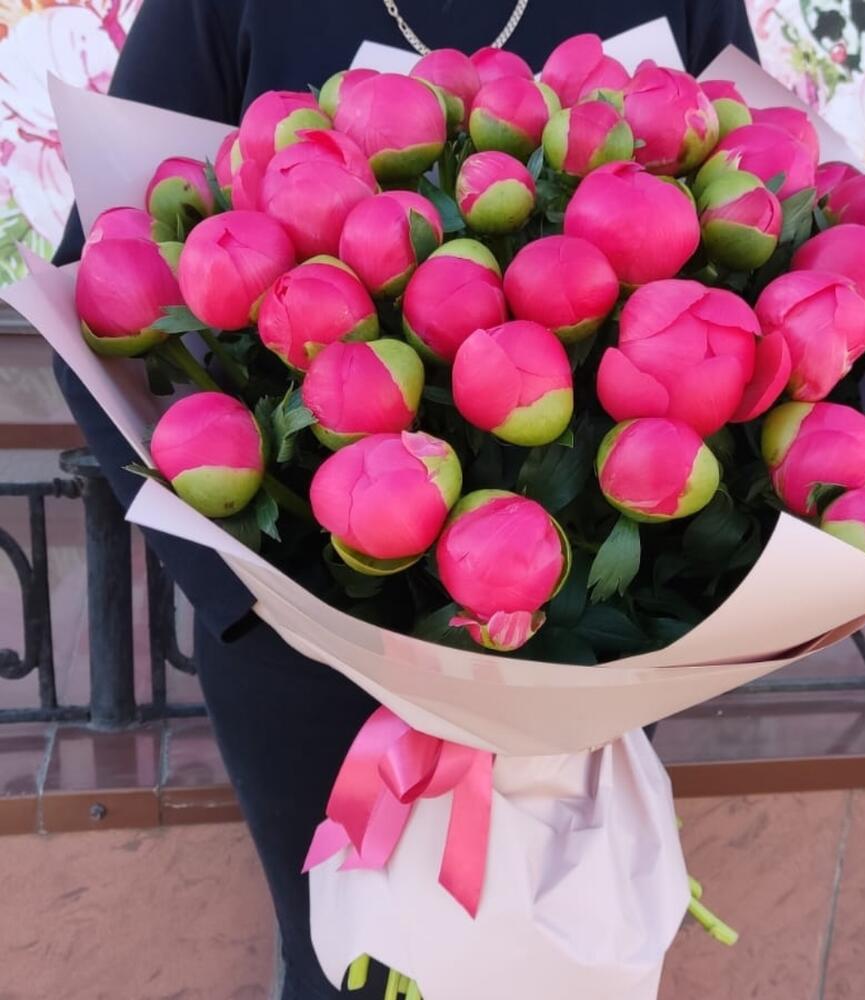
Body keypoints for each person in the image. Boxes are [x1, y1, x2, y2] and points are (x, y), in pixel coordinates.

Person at [53, 2, 759, 996]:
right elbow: (93, 290)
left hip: (594, 643)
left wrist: (693, 614)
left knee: (561, 957)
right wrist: (249, 601)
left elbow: (754, 239)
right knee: (344, 969)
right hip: (306, 639)